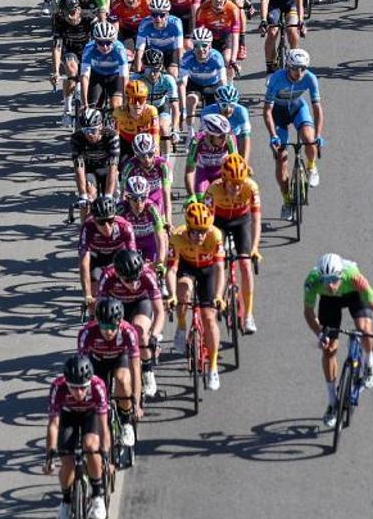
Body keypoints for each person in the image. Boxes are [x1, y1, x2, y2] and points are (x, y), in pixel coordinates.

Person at [302, 253, 373, 429]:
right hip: (329, 302)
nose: (331, 284)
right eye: (326, 280)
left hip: (352, 294)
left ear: (341, 275)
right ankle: (333, 403)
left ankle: (368, 364)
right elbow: (308, 312)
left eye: (334, 279)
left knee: (364, 330)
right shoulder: (313, 281)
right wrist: (320, 334)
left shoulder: (354, 277)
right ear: (320, 277)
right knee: (329, 349)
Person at [44, 353, 110, 519]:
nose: (79, 393)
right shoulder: (57, 388)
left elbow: (104, 426)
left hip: (91, 415)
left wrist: (105, 452)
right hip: (68, 416)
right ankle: (65, 502)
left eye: (83, 388)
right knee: (67, 462)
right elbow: (53, 425)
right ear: (66, 383)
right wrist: (50, 453)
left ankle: (97, 496)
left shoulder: (98, 386)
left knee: (91, 446)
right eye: (73, 388)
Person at [166, 200, 226, 391]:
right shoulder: (176, 237)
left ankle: (213, 367)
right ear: (188, 228)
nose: (200, 236)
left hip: (208, 270)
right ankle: (182, 326)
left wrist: (219, 296)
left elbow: (219, 269)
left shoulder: (215, 236)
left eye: (204, 231)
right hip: (187, 268)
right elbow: (171, 271)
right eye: (196, 232)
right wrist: (172, 295)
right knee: (183, 292)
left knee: (209, 318)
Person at [263, 47, 323, 217]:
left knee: (308, 138)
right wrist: (273, 135)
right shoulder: (276, 79)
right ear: (287, 66)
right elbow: (267, 111)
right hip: (278, 115)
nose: (299, 72)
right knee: (281, 158)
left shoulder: (310, 78)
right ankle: (287, 199)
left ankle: (311, 167)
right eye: (296, 68)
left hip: (297, 109)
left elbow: (317, 108)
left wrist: (318, 135)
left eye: (303, 68)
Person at [205, 154, 261, 333]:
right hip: (218, 222)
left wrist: (254, 248)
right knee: (217, 262)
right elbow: (208, 226)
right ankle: (217, 298)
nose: (237, 187)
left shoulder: (251, 187)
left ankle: (248, 315)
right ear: (223, 179)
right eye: (232, 183)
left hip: (241, 221)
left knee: (245, 263)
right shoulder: (213, 190)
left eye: (240, 182)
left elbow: (256, 219)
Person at [97, 248, 162, 397]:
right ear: (118, 274)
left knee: (140, 332)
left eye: (136, 278)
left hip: (140, 303)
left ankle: (147, 370)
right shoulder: (108, 276)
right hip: (116, 306)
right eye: (127, 280)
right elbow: (100, 310)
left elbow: (159, 312)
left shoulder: (147, 275)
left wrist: (155, 336)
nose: (133, 284)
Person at [78, 297, 141, 448]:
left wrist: (136, 403)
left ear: (120, 323)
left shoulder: (129, 332)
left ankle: (125, 422)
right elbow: (82, 368)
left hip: (120, 358)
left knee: (123, 380)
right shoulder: (87, 333)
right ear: (97, 322)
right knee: (96, 399)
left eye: (113, 327)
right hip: (97, 362)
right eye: (104, 326)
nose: (109, 331)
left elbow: (136, 369)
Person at [70, 108, 120, 219]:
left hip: (107, 169)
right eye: (86, 131)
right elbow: (79, 167)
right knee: (88, 198)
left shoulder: (111, 136)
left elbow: (113, 166)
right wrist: (83, 195)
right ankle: (85, 230)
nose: (90, 135)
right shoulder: (77, 138)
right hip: (90, 170)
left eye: (93, 130)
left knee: (113, 203)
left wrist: (108, 196)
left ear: (101, 127)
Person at [259, 0, 305, 73]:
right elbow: (264, 0)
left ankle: (295, 61)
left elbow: (299, 1)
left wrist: (301, 21)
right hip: (274, 5)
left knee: (292, 31)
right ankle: (270, 68)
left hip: (291, 5)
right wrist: (263, 20)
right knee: (272, 32)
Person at [179, 26, 227, 138]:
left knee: (211, 111)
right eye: (197, 46)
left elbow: (222, 81)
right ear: (193, 47)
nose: (201, 50)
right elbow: (182, 84)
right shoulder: (187, 58)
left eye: (204, 45)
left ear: (210, 46)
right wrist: (183, 109)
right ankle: (190, 133)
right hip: (195, 84)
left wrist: (225, 102)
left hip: (212, 84)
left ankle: (208, 131)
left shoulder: (217, 57)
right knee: (191, 99)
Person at [117, 174, 168, 272]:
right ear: (127, 198)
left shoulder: (152, 208)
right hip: (130, 241)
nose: (139, 203)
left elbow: (160, 237)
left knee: (155, 268)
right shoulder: (120, 209)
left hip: (149, 241)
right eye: (135, 199)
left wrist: (160, 261)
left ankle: (161, 283)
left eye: (143, 198)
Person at [120, 132, 173, 222]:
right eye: (141, 156)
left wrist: (168, 222)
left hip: (156, 196)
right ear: (136, 155)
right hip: (136, 198)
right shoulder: (129, 166)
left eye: (150, 154)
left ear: (155, 151)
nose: (147, 159)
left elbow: (166, 195)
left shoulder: (163, 165)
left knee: (161, 222)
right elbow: (123, 194)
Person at [184, 112, 236, 198]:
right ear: (210, 135)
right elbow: (190, 171)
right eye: (220, 136)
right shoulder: (196, 142)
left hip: (223, 171)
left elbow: (235, 165)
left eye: (226, 135)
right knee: (200, 198)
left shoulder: (229, 139)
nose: (224, 139)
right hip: (204, 172)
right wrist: (191, 196)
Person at [80, 21, 129, 110]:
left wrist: (125, 102)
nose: (105, 47)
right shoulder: (89, 48)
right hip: (96, 77)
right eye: (100, 43)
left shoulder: (119, 49)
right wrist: (84, 103)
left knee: (116, 107)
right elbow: (84, 77)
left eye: (108, 42)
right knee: (93, 109)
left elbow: (124, 77)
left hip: (115, 77)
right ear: (94, 40)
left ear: (113, 40)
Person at [201, 83, 251, 163]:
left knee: (237, 164)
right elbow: (204, 136)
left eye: (232, 105)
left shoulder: (242, 112)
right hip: (216, 138)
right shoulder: (207, 112)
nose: (228, 109)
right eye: (224, 105)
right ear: (217, 103)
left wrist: (244, 164)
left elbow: (246, 138)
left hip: (236, 136)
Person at [113, 79, 160, 162]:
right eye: (133, 100)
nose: (137, 105)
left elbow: (155, 134)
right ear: (127, 100)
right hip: (127, 142)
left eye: (141, 100)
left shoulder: (151, 111)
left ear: (146, 100)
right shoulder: (119, 113)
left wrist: (155, 147)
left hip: (146, 142)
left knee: (154, 160)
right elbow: (115, 135)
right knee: (121, 164)